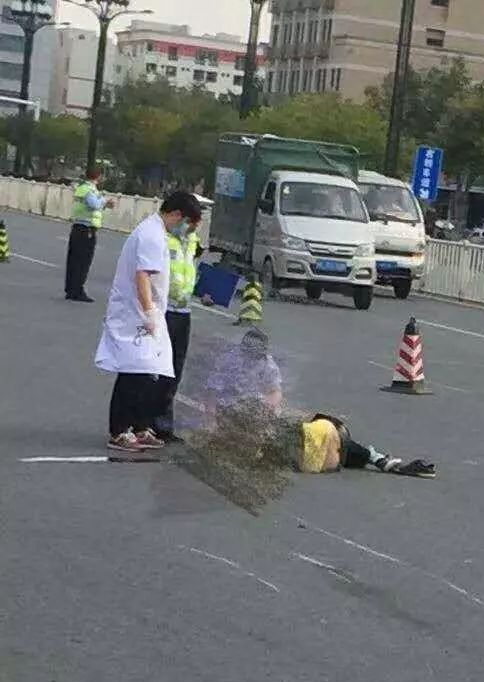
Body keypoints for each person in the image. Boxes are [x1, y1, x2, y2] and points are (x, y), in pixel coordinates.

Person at [196, 330, 437, 478]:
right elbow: (211, 393)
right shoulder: (230, 362)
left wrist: (266, 410)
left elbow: (275, 393)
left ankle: (380, 459)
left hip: (258, 414)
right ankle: (377, 458)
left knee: (322, 438)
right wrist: (211, 421)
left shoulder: (267, 363)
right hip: (233, 411)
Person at [94, 190, 203, 460]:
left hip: (148, 312)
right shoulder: (152, 235)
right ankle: (119, 430)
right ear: (177, 214)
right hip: (139, 314)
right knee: (134, 373)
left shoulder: (155, 231)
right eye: (187, 221)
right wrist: (151, 312)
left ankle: (141, 425)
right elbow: (142, 276)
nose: (186, 228)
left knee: (152, 371)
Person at [151, 224, 202, 442]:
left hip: (184, 309)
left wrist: (202, 291)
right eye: (193, 219)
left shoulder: (192, 241)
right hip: (164, 310)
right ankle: (144, 423)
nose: (196, 225)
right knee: (155, 368)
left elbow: (188, 272)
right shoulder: (161, 238)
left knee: (174, 370)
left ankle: (163, 425)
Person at [64, 168, 115, 302]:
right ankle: (78, 290)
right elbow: (94, 204)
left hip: (78, 227)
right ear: (98, 176)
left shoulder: (82, 188)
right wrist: (105, 203)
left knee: (73, 261)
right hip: (87, 230)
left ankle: (70, 289)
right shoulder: (90, 190)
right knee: (83, 262)